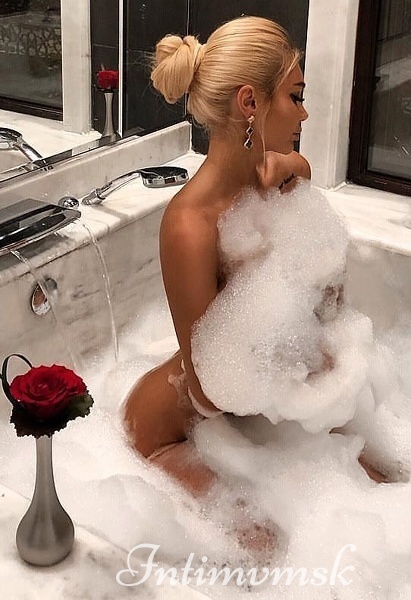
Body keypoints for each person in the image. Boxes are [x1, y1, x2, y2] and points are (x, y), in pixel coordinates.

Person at [123, 16, 385, 494]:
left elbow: (297, 173)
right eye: (295, 97)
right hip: (171, 430)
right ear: (250, 103)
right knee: (261, 533)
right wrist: (292, 344)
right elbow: (211, 390)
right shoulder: (190, 225)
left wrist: (294, 167)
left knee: (380, 481)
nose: (304, 115)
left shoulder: (275, 177)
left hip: (248, 414)